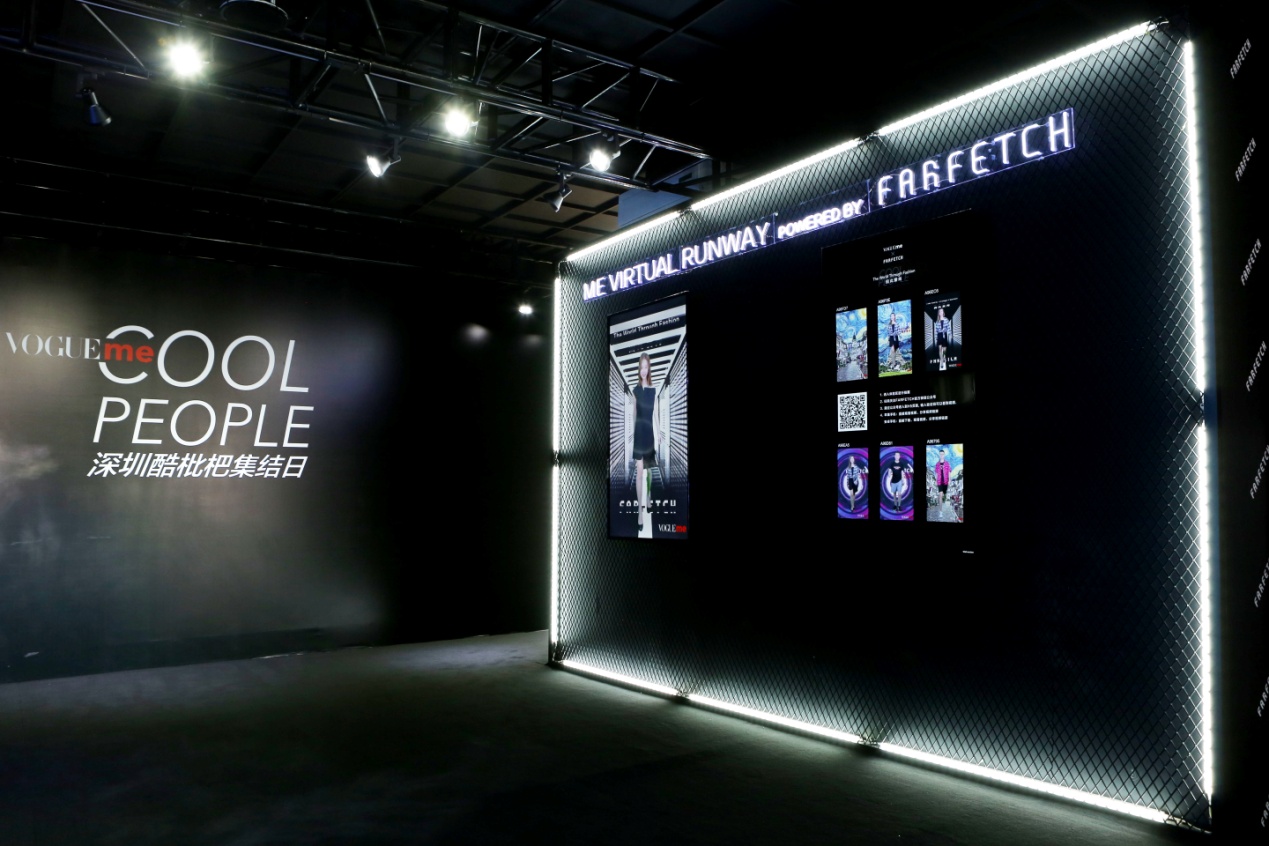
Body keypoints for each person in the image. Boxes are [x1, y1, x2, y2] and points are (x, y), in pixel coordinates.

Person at [631, 353, 659, 532]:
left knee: (648, 471)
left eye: (646, 367)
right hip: (639, 436)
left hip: (649, 435)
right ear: (639, 369)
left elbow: (655, 412)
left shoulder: (653, 390)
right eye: (641, 367)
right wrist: (633, 433)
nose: (643, 370)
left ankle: (648, 496)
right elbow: (634, 414)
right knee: (640, 473)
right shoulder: (635, 391)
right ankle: (640, 512)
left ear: (649, 368)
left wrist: (659, 431)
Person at [933, 448, 952, 512]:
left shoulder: (947, 463)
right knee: (940, 495)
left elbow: (949, 472)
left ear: (944, 455)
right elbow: (936, 473)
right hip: (939, 481)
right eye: (940, 454)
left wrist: (949, 480)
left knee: (944, 494)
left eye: (942, 454)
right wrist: (936, 480)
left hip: (946, 481)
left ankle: (944, 497)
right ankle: (940, 511)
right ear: (939, 455)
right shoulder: (937, 464)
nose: (941, 455)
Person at [934, 306, 951, 371]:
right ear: (938, 313)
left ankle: (944, 357)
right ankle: (941, 360)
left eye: (942, 311)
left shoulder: (946, 319)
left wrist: (950, 334)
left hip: (944, 335)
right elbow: (936, 330)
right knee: (940, 349)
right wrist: (936, 337)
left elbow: (948, 328)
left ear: (943, 312)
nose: (941, 312)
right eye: (940, 311)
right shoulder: (937, 321)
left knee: (944, 350)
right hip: (939, 335)